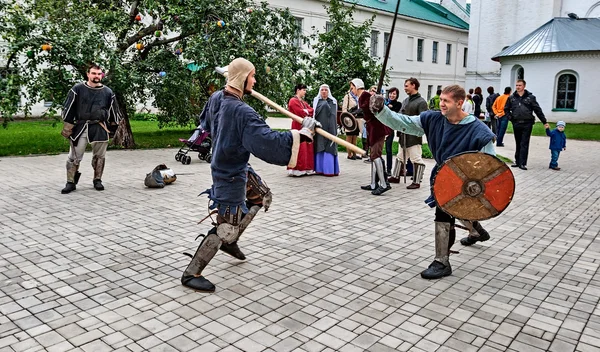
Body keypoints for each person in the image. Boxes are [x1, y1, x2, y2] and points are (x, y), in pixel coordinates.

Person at [182, 57, 319, 292]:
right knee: (225, 228)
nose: (254, 81)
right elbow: (266, 141)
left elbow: (205, 122)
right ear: (242, 78)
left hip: (238, 166)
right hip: (228, 173)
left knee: (262, 196)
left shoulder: (217, 98)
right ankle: (192, 272)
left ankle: (230, 243)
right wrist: (302, 132)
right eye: (252, 76)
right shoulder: (241, 111)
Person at [369, 85, 496, 279]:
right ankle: (476, 232)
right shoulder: (434, 119)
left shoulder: (478, 130)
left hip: (469, 182)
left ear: (460, 103)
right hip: (443, 177)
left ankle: (441, 262)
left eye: (446, 101)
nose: (441, 104)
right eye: (441, 99)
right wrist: (382, 110)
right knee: (449, 208)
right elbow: (404, 121)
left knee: (449, 211)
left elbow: (491, 166)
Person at [60, 64, 122, 194]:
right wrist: (68, 127)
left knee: (100, 156)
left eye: (99, 74)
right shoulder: (77, 89)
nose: (96, 76)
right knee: (74, 156)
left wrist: (112, 129)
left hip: (100, 127)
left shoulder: (108, 92)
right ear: (88, 74)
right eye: (94, 73)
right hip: (81, 127)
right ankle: (70, 182)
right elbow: (69, 108)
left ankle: (97, 180)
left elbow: (114, 112)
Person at [388, 78, 428, 189]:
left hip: (414, 136)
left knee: (416, 158)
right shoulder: (406, 100)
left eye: (406, 86)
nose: (405, 88)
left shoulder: (421, 102)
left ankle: (417, 181)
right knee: (400, 156)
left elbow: (422, 120)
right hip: (403, 134)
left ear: (413, 86)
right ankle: (395, 176)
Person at [357, 79, 393, 195]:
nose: (351, 89)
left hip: (378, 128)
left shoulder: (366, 96)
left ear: (357, 87)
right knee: (373, 155)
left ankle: (383, 184)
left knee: (375, 155)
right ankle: (373, 183)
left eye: (352, 87)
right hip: (373, 128)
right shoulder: (366, 96)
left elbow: (370, 109)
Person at [504, 79, 549, 170]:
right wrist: (511, 118)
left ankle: (523, 163)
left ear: (524, 86)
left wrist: (544, 121)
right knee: (518, 142)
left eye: (520, 85)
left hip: (527, 123)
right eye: (516, 85)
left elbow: (537, 110)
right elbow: (506, 109)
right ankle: (517, 161)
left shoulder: (530, 97)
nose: (518, 87)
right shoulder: (512, 98)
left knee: (524, 142)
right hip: (516, 122)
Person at [287, 84, 315, 176]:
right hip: (297, 125)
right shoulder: (293, 100)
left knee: (307, 146)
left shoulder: (303, 102)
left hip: (305, 125)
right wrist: (306, 111)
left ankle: (306, 167)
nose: (305, 92)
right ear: (298, 90)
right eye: (303, 90)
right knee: (298, 146)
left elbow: (311, 110)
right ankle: (297, 169)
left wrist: (306, 111)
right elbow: (300, 112)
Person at [312, 84, 340, 176]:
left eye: (326, 90)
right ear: (320, 91)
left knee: (330, 147)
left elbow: (333, 116)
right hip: (320, 128)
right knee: (320, 146)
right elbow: (314, 115)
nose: (324, 92)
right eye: (322, 90)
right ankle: (319, 169)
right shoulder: (317, 102)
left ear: (328, 92)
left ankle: (330, 170)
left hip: (331, 128)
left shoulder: (333, 102)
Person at [384, 87, 402, 175]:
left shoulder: (398, 104)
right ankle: (379, 168)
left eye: (394, 94)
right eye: (391, 93)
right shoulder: (384, 102)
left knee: (388, 149)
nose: (392, 95)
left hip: (390, 129)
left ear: (397, 95)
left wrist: (389, 108)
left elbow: (394, 115)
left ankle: (389, 169)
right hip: (381, 128)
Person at [341, 85, 360, 160]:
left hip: (356, 119)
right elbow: (344, 108)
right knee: (349, 137)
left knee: (354, 137)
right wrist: (346, 118)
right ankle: (349, 154)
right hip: (349, 120)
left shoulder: (358, 96)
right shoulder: (347, 96)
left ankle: (354, 153)